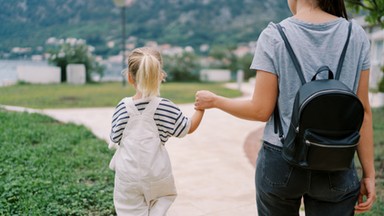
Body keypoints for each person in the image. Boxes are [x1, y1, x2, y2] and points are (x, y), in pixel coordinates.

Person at [195, 0, 376, 215]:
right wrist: (369, 174)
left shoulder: (274, 36)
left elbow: (260, 110)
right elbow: (362, 112)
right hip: (336, 159)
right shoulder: (355, 35)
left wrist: (215, 101)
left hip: (281, 159)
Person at [108, 47, 204, 215]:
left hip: (128, 177)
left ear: (130, 77)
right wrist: (200, 109)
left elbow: (114, 137)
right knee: (162, 200)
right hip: (158, 175)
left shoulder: (123, 107)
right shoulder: (165, 106)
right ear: (160, 76)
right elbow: (187, 128)